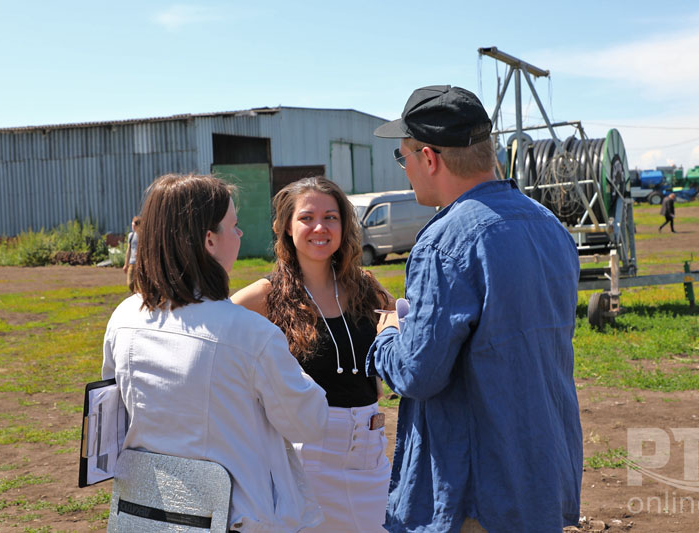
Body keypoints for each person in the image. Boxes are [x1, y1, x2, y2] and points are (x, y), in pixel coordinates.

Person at [369, 85, 583, 533]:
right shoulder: (550, 226)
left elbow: (418, 373)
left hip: (476, 493)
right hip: (542, 472)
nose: (406, 171)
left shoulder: (445, 241)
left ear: (429, 158)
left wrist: (388, 334)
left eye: (403, 157)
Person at [102, 173, 329, 532]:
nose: (240, 234)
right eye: (233, 226)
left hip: (147, 514)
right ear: (209, 240)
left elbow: (113, 412)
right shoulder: (251, 334)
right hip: (234, 517)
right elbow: (309, 422)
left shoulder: (124, 317)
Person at [232, 176, 395, 532]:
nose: (320, 227)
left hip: (369, 454)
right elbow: (216, 341)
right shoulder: (266, 295)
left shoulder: (365, 286)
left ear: (343, 226)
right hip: (305, 459)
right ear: (286, 227)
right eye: (306, 218)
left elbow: (396, 323)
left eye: (330, 217)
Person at [122, 216, 140, 292]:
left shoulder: (143, 236)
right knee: (130, 283)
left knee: (140, 283)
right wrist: (126, 264)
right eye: (132, 225)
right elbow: (128, 250)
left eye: (134, 225)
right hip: (132, 262)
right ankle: (135, 293)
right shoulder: (131, 235)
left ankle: (140, 295)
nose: (133, 227)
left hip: (140, 263)